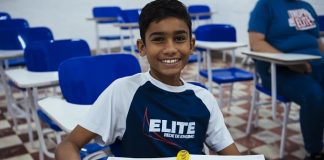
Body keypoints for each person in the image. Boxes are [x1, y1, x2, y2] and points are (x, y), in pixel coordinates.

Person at [55, 0, 240, 159]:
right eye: (159, 39)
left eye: (179, 38)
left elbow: (232, 155)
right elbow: (68, 146)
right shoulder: (123, 91)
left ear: (191, 45)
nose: (170, 48)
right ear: (142, 47)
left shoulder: (204, 99)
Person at [248, 0, 324, 159]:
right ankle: (315, 151)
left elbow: (317, 42)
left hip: (316, 63)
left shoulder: (306, 6)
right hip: (279, 68)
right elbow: (256, 43)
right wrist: (289, 62)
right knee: (313, 95)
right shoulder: (266, 5)